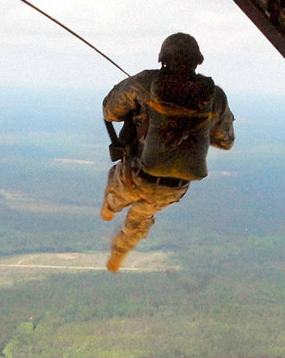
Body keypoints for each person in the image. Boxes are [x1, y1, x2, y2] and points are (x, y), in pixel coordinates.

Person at [100, 33, 235, 272]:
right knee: (141, 217)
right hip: (174, 187)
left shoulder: (143, 83)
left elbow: (110, 111)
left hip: (135, 176)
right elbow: (225, 141)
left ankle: (110, 208)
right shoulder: (215, 97)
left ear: (163, 58)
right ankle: (119, 251)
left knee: (116, 185)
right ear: (197, 61)